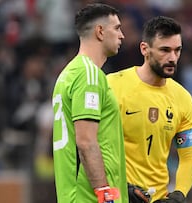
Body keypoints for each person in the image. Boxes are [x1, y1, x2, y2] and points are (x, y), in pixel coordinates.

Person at [107, 16, 192, 203]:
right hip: (117, 197)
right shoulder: (113, 86)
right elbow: (92, 145)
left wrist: (179, 194)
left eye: (177, 50)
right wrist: (120, 188)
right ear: (144, 49)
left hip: (158, 198)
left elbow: (188, 157)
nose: (172, 58)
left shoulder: (183, 98)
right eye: (165, 50)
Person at [52, 3, 128, 203]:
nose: (122, 36)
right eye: (117, 28)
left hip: (76, 194)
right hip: (90, 197)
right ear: (100, 32)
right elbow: (86, 141)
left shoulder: (70, 73)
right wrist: (105, 194)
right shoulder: (89, 74)